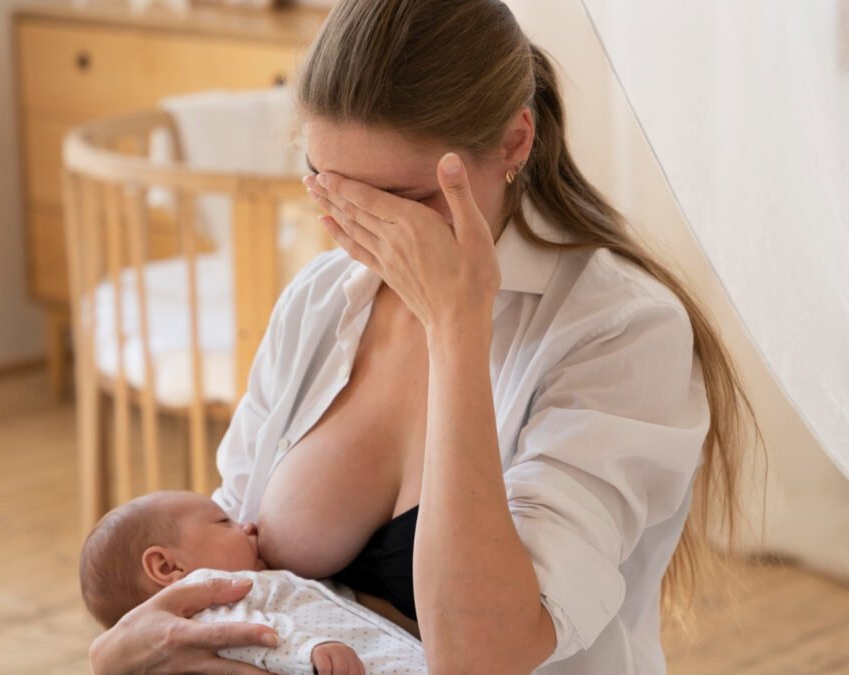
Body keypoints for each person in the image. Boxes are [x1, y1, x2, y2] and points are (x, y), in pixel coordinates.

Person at [88, 1, 762, 673]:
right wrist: (116, 654)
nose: (368, 229)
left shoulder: (622, 332)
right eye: (335, 189)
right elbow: (229, 582)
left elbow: (482, 656)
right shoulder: (322, 299)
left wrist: (456, 326)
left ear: (513, 143)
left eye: (405, 201)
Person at [79, 491, 427, 674]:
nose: (247, 524)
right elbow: (257, 636)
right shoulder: (208, 604)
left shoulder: (248, 584)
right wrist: (308, 653)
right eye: (223, 521)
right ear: (169, 567)